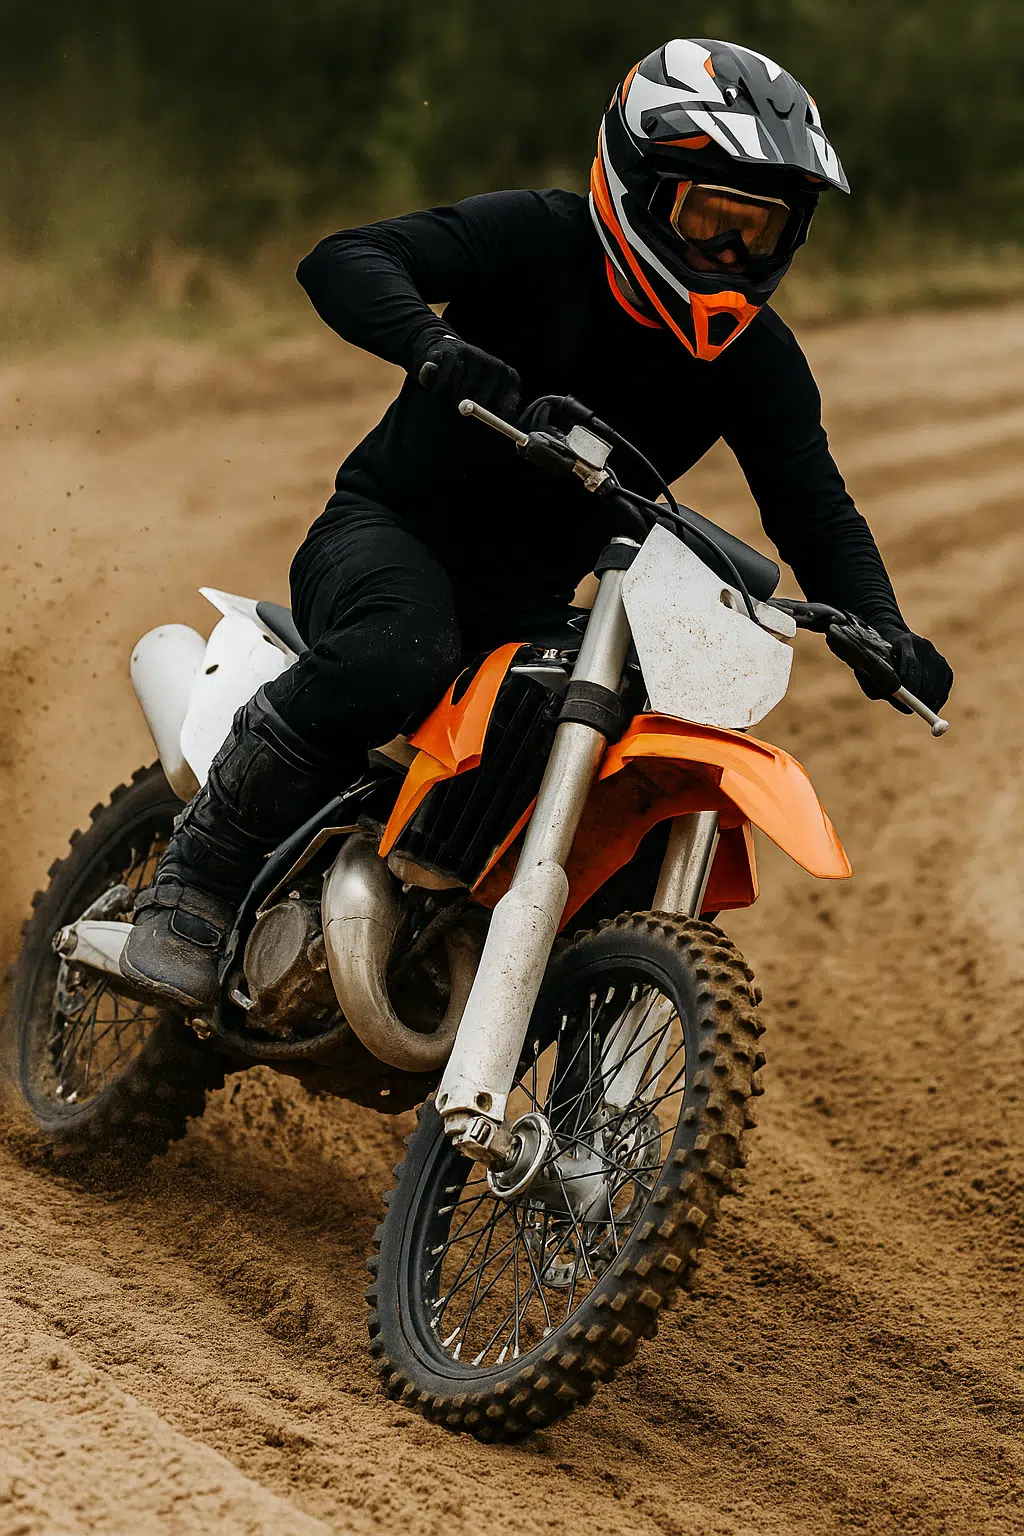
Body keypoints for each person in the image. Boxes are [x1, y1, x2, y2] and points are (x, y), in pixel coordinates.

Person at [121, 37, 953, 1012]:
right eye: (707, 220)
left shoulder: (758, 361)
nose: (728, 255)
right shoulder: (537, 238)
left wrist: (882, 628)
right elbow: (347, 258)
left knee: (634, 738)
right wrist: (429, 343)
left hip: (529, 606)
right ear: (639, 188)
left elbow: (814, 509)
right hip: (388, 536)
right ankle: (194, 885)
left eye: (755, 233)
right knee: (399, 647)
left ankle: (541, 1015)